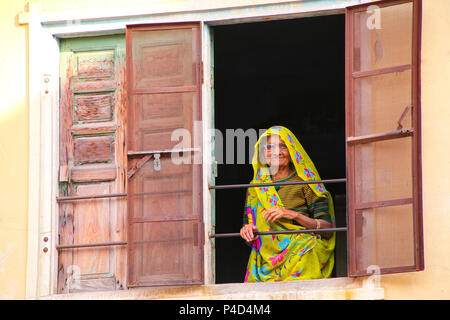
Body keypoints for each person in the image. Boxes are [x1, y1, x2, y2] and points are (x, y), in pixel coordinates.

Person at [240, 125, 336, 282]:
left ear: (293, 153)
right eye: (269, 147)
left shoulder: (307, 184)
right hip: (265, 260)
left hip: (301, 254)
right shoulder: (255, 187)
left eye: (283, 146)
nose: (277, 152)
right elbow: (249, 238)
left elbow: (328, 229)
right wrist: (248, 231)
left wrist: (293, 214)